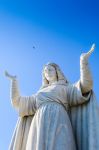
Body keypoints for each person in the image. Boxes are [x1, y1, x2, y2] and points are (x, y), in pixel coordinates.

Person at [5, 44, 99, 150]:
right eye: (45, 71)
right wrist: (14, 81)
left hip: (60, 120)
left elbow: (86, 86)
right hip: (39, 123)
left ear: (57, 72)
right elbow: (17, 102)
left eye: (50, 69)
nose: (47, 72)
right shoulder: (39, 94)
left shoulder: (65, 88)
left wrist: (83, 62)